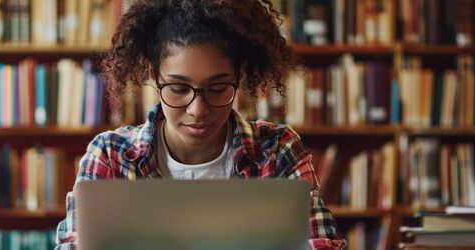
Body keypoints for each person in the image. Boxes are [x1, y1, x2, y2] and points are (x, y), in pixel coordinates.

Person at [55, 0, 346, 249]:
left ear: (238, 76)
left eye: (217, 88)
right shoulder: (111, 156)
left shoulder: (278, 150)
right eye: (179, 89)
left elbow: (321, 244)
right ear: (153, 76)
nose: (198, 109)